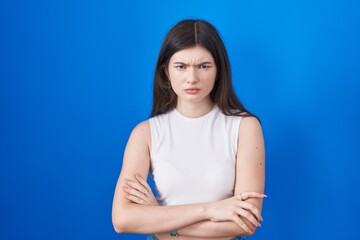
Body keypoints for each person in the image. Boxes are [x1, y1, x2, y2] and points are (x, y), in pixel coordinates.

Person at [112, 19, 266, 240]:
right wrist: (209, 210)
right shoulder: (145, 133)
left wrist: (160, 221)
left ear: (218, 71)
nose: (192, 78)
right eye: (181, 66)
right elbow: (122, 219)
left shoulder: (245, 127)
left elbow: (245, 223)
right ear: (166, 71)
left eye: (203, 66)